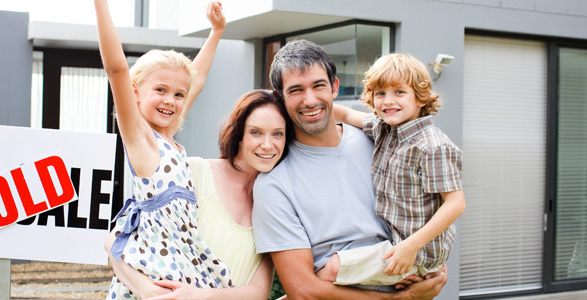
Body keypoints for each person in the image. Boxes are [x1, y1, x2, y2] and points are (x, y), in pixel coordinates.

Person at [252, 39, 448, 299]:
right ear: (280, 97)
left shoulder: (378, 141)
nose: (310, 100)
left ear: (334, 87)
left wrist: (430, 263)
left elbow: (432, 204)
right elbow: (302, 291)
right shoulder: (274, 184)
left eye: (318, 85)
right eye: (296, 90)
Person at [94, 1, 232, 299]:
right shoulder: (140, 138)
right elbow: (117, 69)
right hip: (153, 272)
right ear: (135, 92)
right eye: (160, 90)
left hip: (183, 265)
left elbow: (198, 80)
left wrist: (216, 32)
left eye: (178, 94)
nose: (170, 100)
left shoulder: (170, 139)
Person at [106, 90, 290, 300]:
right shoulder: (193, 172)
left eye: (278, 134)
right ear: (239, 134)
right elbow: (116, 241)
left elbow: (258, 291)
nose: (267, 144)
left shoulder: (274, 203)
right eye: (256, 132)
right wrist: (147, 290)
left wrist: (201, 296)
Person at [321, 53, 466, 286]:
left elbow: (456, 204)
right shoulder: (384, 128)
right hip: (392, 240)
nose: (388, 101)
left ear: (421, 98)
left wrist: (410, 247)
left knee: (332, 270)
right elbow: (346, 115)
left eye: (399, 92)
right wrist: (309, 104)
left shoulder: (432, 146)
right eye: (381, 93)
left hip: (415, 252)